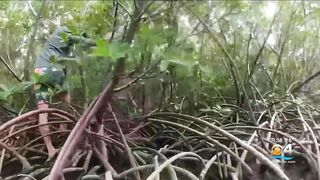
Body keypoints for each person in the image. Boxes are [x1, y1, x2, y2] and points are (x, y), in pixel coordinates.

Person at [33, 26, 95, 159]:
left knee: (42, 112)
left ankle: (50, 149)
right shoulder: (64, 31)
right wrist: (102, 43)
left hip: (39, 72)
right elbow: (84, 42)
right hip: (54, 70)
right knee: (66, 97)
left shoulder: (54, 45)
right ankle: (62, 127)